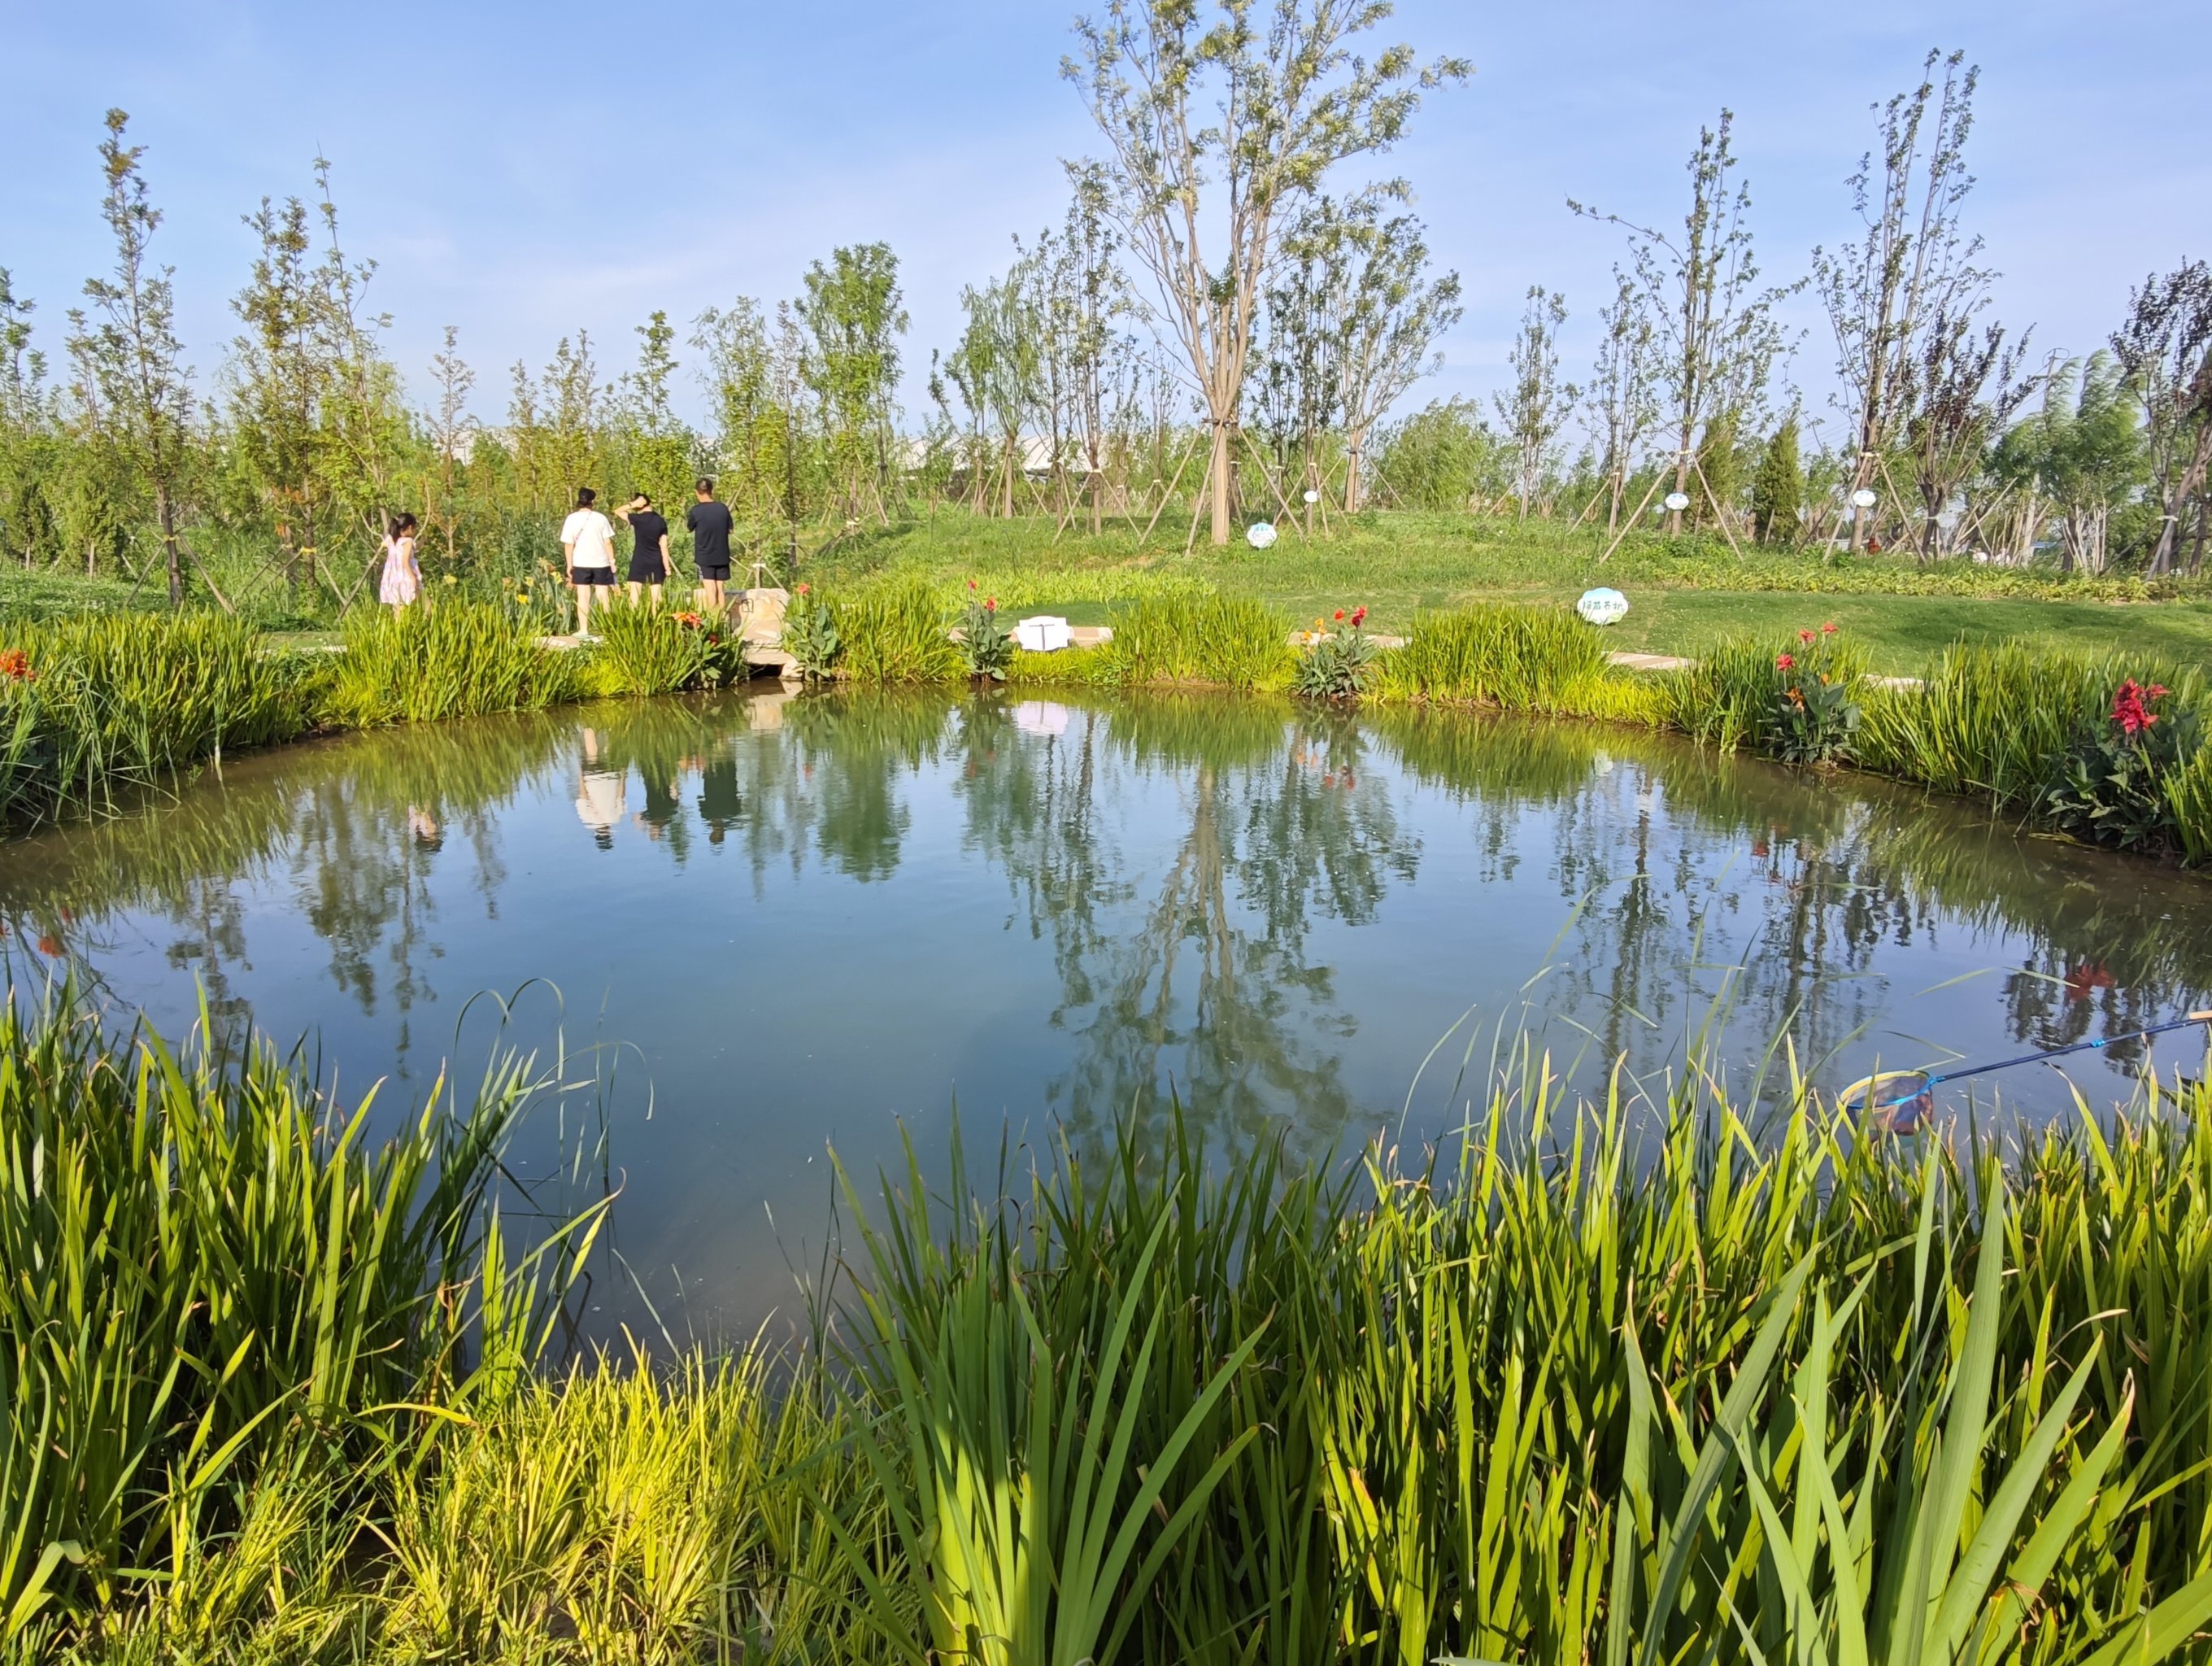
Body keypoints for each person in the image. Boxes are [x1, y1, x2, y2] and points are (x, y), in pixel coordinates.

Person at [561, 487, 617, 637]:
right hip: (601, 562)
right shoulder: (601, 518)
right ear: (592, 501)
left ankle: (583, 629)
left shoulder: (571, 519)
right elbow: (608, 543)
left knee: (583, 596)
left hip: (580, 562)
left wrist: (569, 564)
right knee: (603, 596)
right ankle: (607, 627)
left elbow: (568, 544)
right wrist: (612, 561)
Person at [686, 478, 735, 617]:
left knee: (710, 588)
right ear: (711, 490)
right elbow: (731, 530)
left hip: (704, 555)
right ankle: (723, 618)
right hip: (722, 554)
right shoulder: (722, 508)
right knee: (720, 588)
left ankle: (713, 619)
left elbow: (689, 528)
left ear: (697, 492)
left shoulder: (696, 511)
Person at [620, 492, 672, 607]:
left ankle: (634, 621)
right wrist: (667, 568)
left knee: (634, 595)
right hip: (656, 560)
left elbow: (617, 511)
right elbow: (664, 546)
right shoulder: (660, 521)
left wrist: (631, 504)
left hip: (639, 559)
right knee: (656, 597)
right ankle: (657, 621)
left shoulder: (637, 519)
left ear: (639, 505)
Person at [377, 512, 422, 609]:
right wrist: (413, 577)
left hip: (392, 577)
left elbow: (386, 544)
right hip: (405, 576)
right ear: (410, 527)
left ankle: (398, 624)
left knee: (397, 608)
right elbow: (405, 561)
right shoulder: (408, 541)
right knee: (424, 603)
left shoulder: (391, 538)